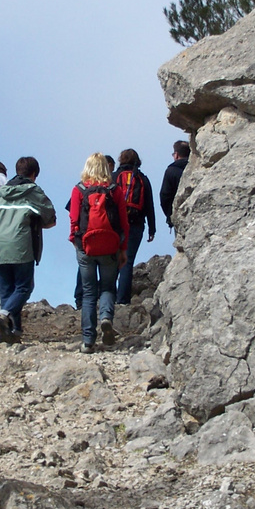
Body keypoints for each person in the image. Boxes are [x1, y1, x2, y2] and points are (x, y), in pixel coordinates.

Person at [0, 156, 57, 339]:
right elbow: (50, 217)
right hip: (21, 245)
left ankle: (11, 333)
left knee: (7, 290)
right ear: (34, 175)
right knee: (24, 287)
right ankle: (4, 316)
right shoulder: (34, 192)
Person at [68, 153, 127, 353]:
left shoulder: (79, 189)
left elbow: (74, 220)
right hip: (110, 246)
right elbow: (123, 222)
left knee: (89, 292)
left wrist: (74, 241)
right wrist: (123, 248)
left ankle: (87, 341)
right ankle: (106, 318)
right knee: (108, 287)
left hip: (86, 246)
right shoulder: (114, 190)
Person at [113, 148, 157, 304]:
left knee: (111, 261)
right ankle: (123, 301)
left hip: (114, 225)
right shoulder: (142, 179)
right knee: (127, 261)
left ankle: (107, 298)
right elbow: (149, 205)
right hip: (135, 224)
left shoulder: (114, 177)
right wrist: (152, 229)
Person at [160, 140, 190, 232]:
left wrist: (170, 215)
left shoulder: (171, 170)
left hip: (179, 214)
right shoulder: (195, 168)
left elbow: (165, 195)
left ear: (176, 155)